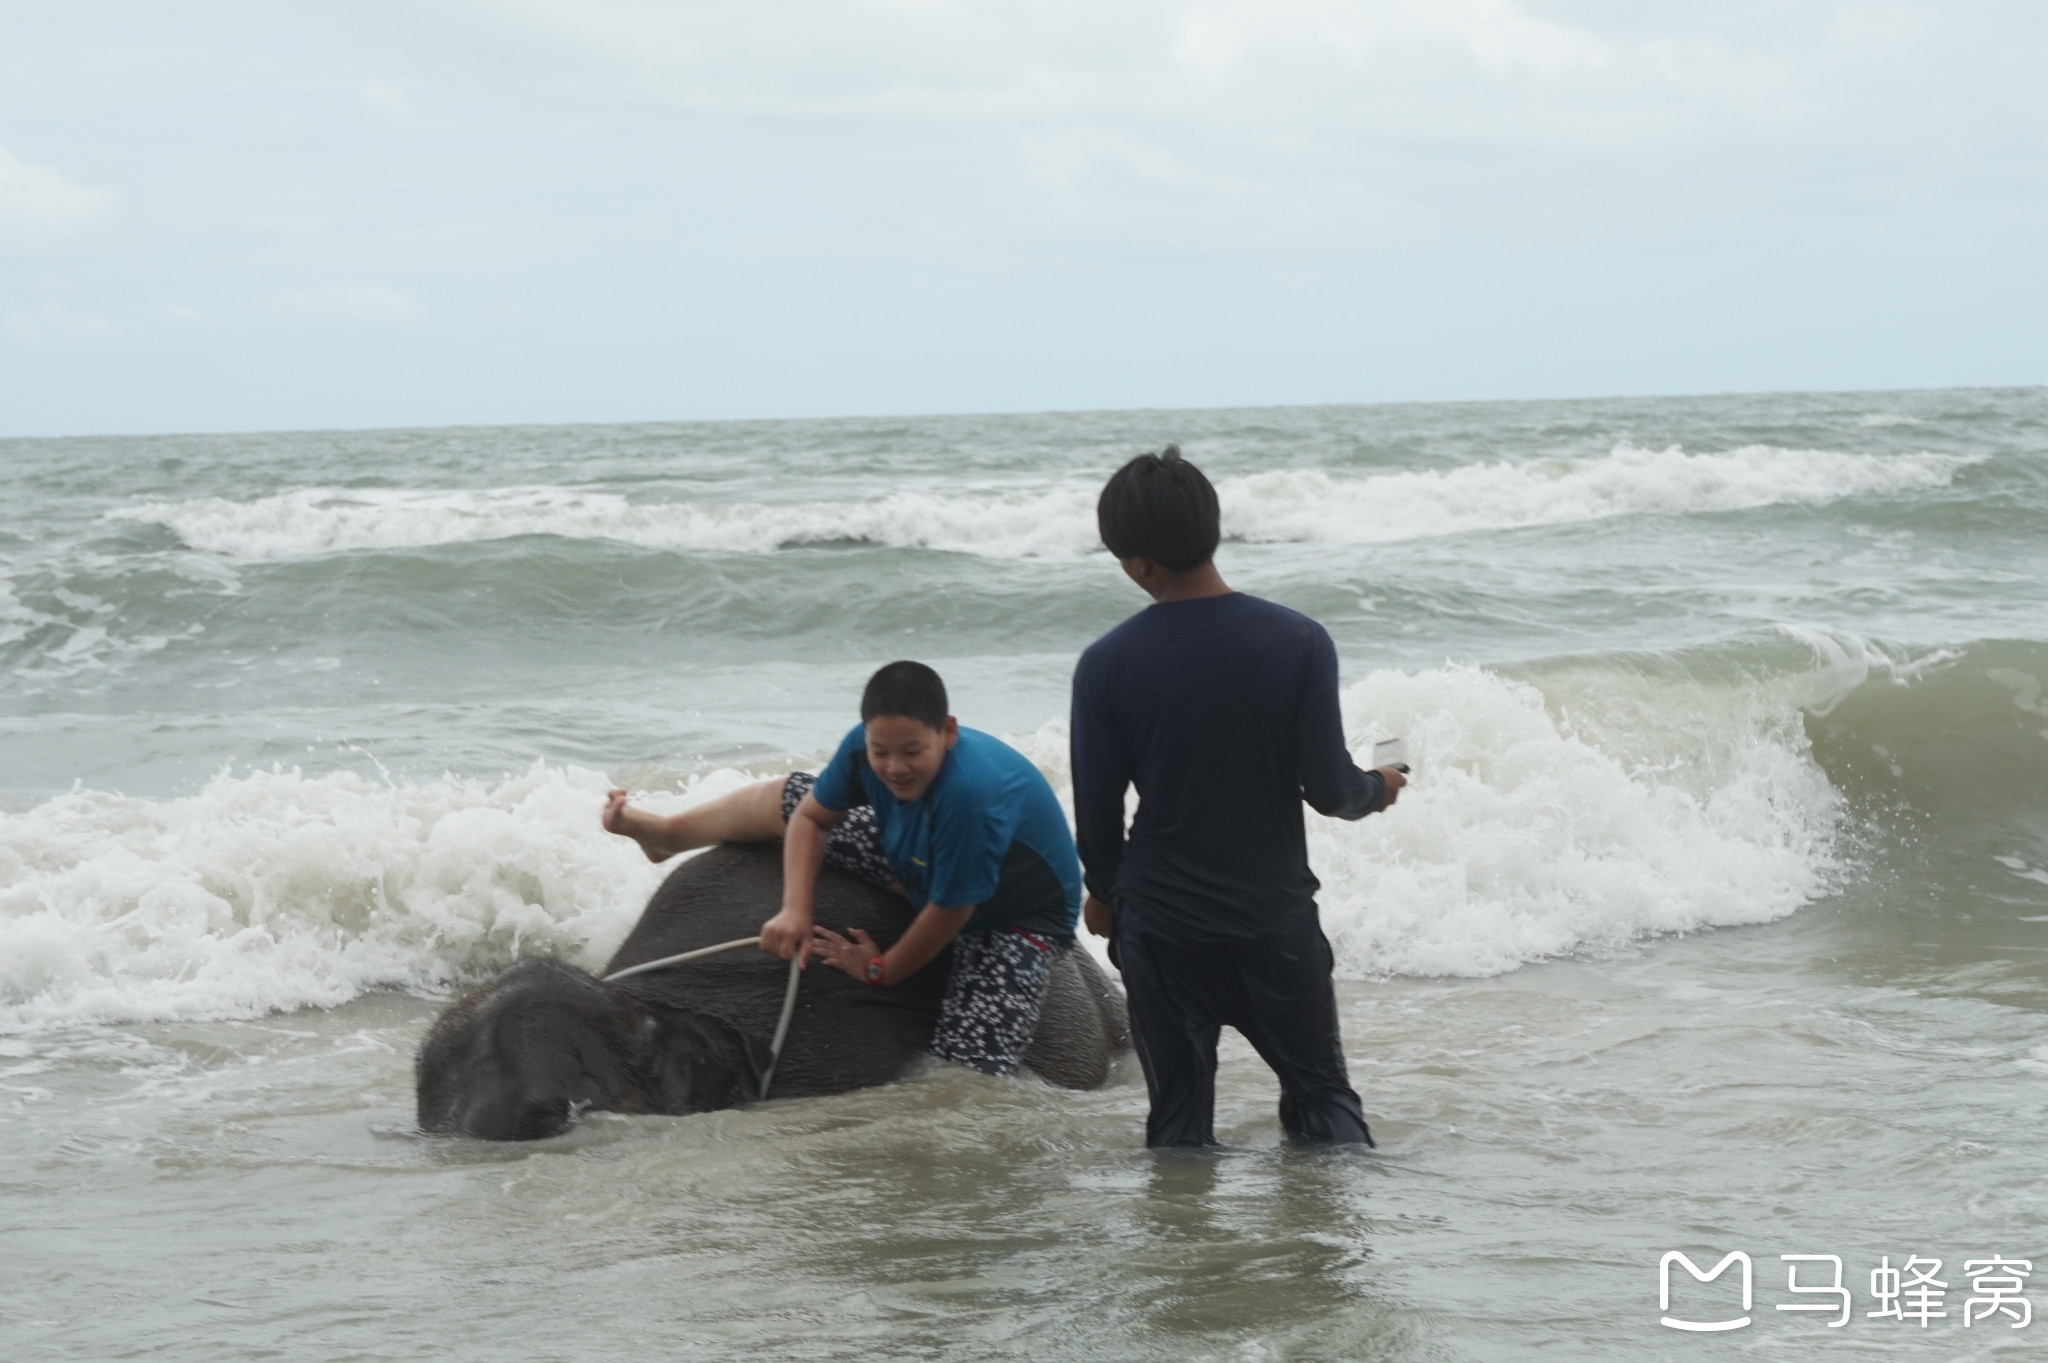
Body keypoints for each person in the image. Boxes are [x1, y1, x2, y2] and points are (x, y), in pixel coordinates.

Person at [1069, 446, 1407, 1148]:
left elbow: (1098, 817)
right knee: (1323, 1099)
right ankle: (1328, 1246)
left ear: (1138, 563)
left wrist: (1103, 893)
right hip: (1272, 924)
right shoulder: (1298, 642)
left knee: (1179, 1126)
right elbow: (1330, 790)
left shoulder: (1105, 665)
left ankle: (1187, 1254)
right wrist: (1381, 787)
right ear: (1212, 528)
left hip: (1162, 931)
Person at [603, 660, 1083, 1077]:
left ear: (948, 732)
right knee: (790, 797)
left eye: (913, 751)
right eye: (881, 751)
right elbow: (811, 817)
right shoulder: (862, 751)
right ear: (867, 736)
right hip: (919, 853)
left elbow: (953, 911)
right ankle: (669, 835)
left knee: (971, 1066)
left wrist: (881, 969)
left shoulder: (969, 796)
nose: (894, 767)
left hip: (1011, 911)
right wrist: (795, 907)